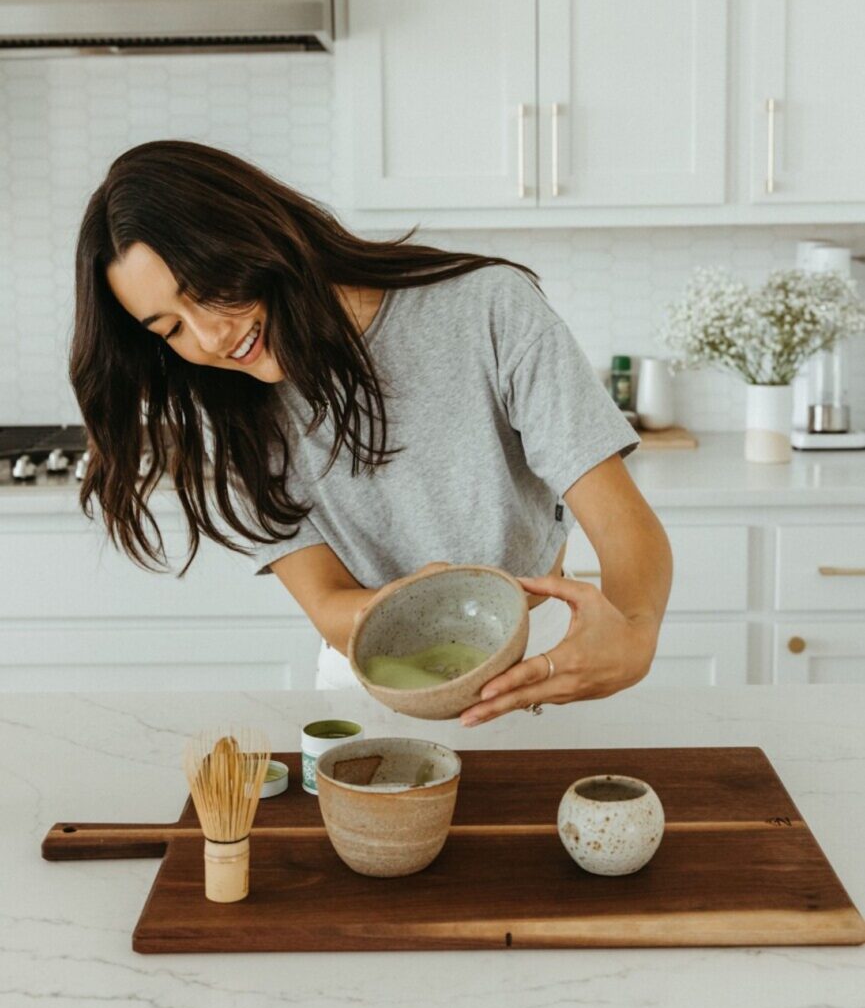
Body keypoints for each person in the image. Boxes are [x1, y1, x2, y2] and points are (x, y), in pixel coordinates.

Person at [71, 140, 672, 725]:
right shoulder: (238, 418)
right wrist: (406, 607)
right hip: (371, 684)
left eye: (205, 290)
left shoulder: (487, 309)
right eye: (171, 328)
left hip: (537, 669)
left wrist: (636, 634)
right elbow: (328, 602)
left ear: (252, 236)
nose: (209, 339)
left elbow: (622, 522)